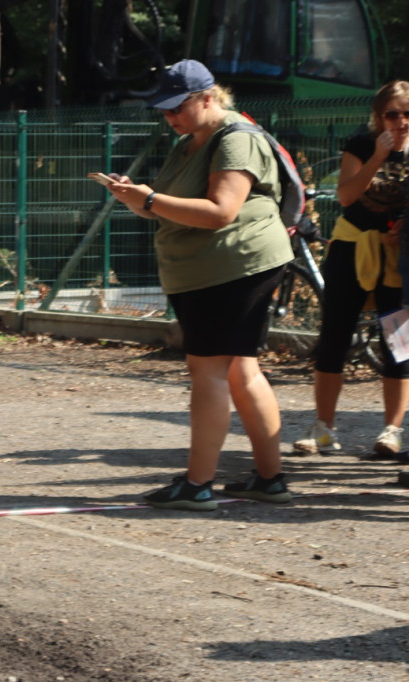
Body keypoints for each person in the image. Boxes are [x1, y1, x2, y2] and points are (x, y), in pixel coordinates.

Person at [105, 59, 294, 510]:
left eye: (177, 107)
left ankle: (197, 485)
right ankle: (269, 480)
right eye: (164, 109)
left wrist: (149, 198)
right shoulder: (191, 140)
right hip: (213, 268)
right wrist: (138, 198)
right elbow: (170, 206)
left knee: (208, 370)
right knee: (239, 370)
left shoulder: (236, 139)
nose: (169, 117)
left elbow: (220, 211)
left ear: (208, 98)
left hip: (233, 265)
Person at [294, 80, 409, 458]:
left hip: (397, 255)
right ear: (378, 117)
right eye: (393, 113)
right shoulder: (361, 145)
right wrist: (378, 156)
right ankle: (324, 428)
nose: (401, 121)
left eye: (408, 113)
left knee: (399, 343)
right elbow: (346, 195)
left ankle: (392, 431)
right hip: (352, 245)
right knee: (335, 336)